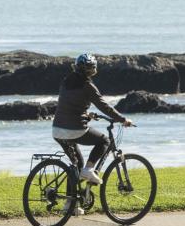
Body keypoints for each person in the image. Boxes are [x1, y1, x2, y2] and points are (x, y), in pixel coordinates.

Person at [52, 53, 134, 192]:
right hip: (74, 130)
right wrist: (123, 119)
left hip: (57, 130)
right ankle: (89, 170)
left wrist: (86, 114)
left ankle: (70, 204)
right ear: (92, 69)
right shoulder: (88, 86)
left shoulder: (66, 81)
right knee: (104, 141)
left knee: (76, 166)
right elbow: (104, 106)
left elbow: (69, 105)